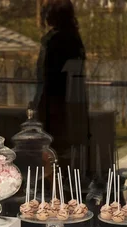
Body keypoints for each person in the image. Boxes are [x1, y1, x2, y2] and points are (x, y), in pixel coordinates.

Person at [34, 0, 90, 169]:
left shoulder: (55, 40)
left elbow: (49, 74)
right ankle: (69, 179)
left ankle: (56, 181)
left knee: (54, 143)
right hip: (72, 98)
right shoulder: (74, 39)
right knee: (69, 144)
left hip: (56, 99)